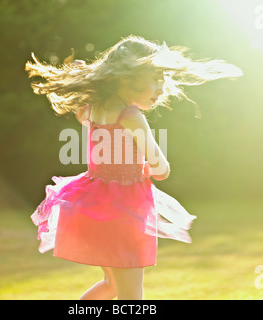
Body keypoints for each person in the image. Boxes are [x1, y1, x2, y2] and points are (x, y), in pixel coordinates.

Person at [25, 35, 243, 300]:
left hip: (91, 203)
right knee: (131, 295)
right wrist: (154, 167)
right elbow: (161, 168)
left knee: (111, 286)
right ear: (127, 78)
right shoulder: (131, 117)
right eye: (155, 80)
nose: (161, 89)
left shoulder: (93, 108)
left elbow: (86, 121)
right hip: (124, 211)